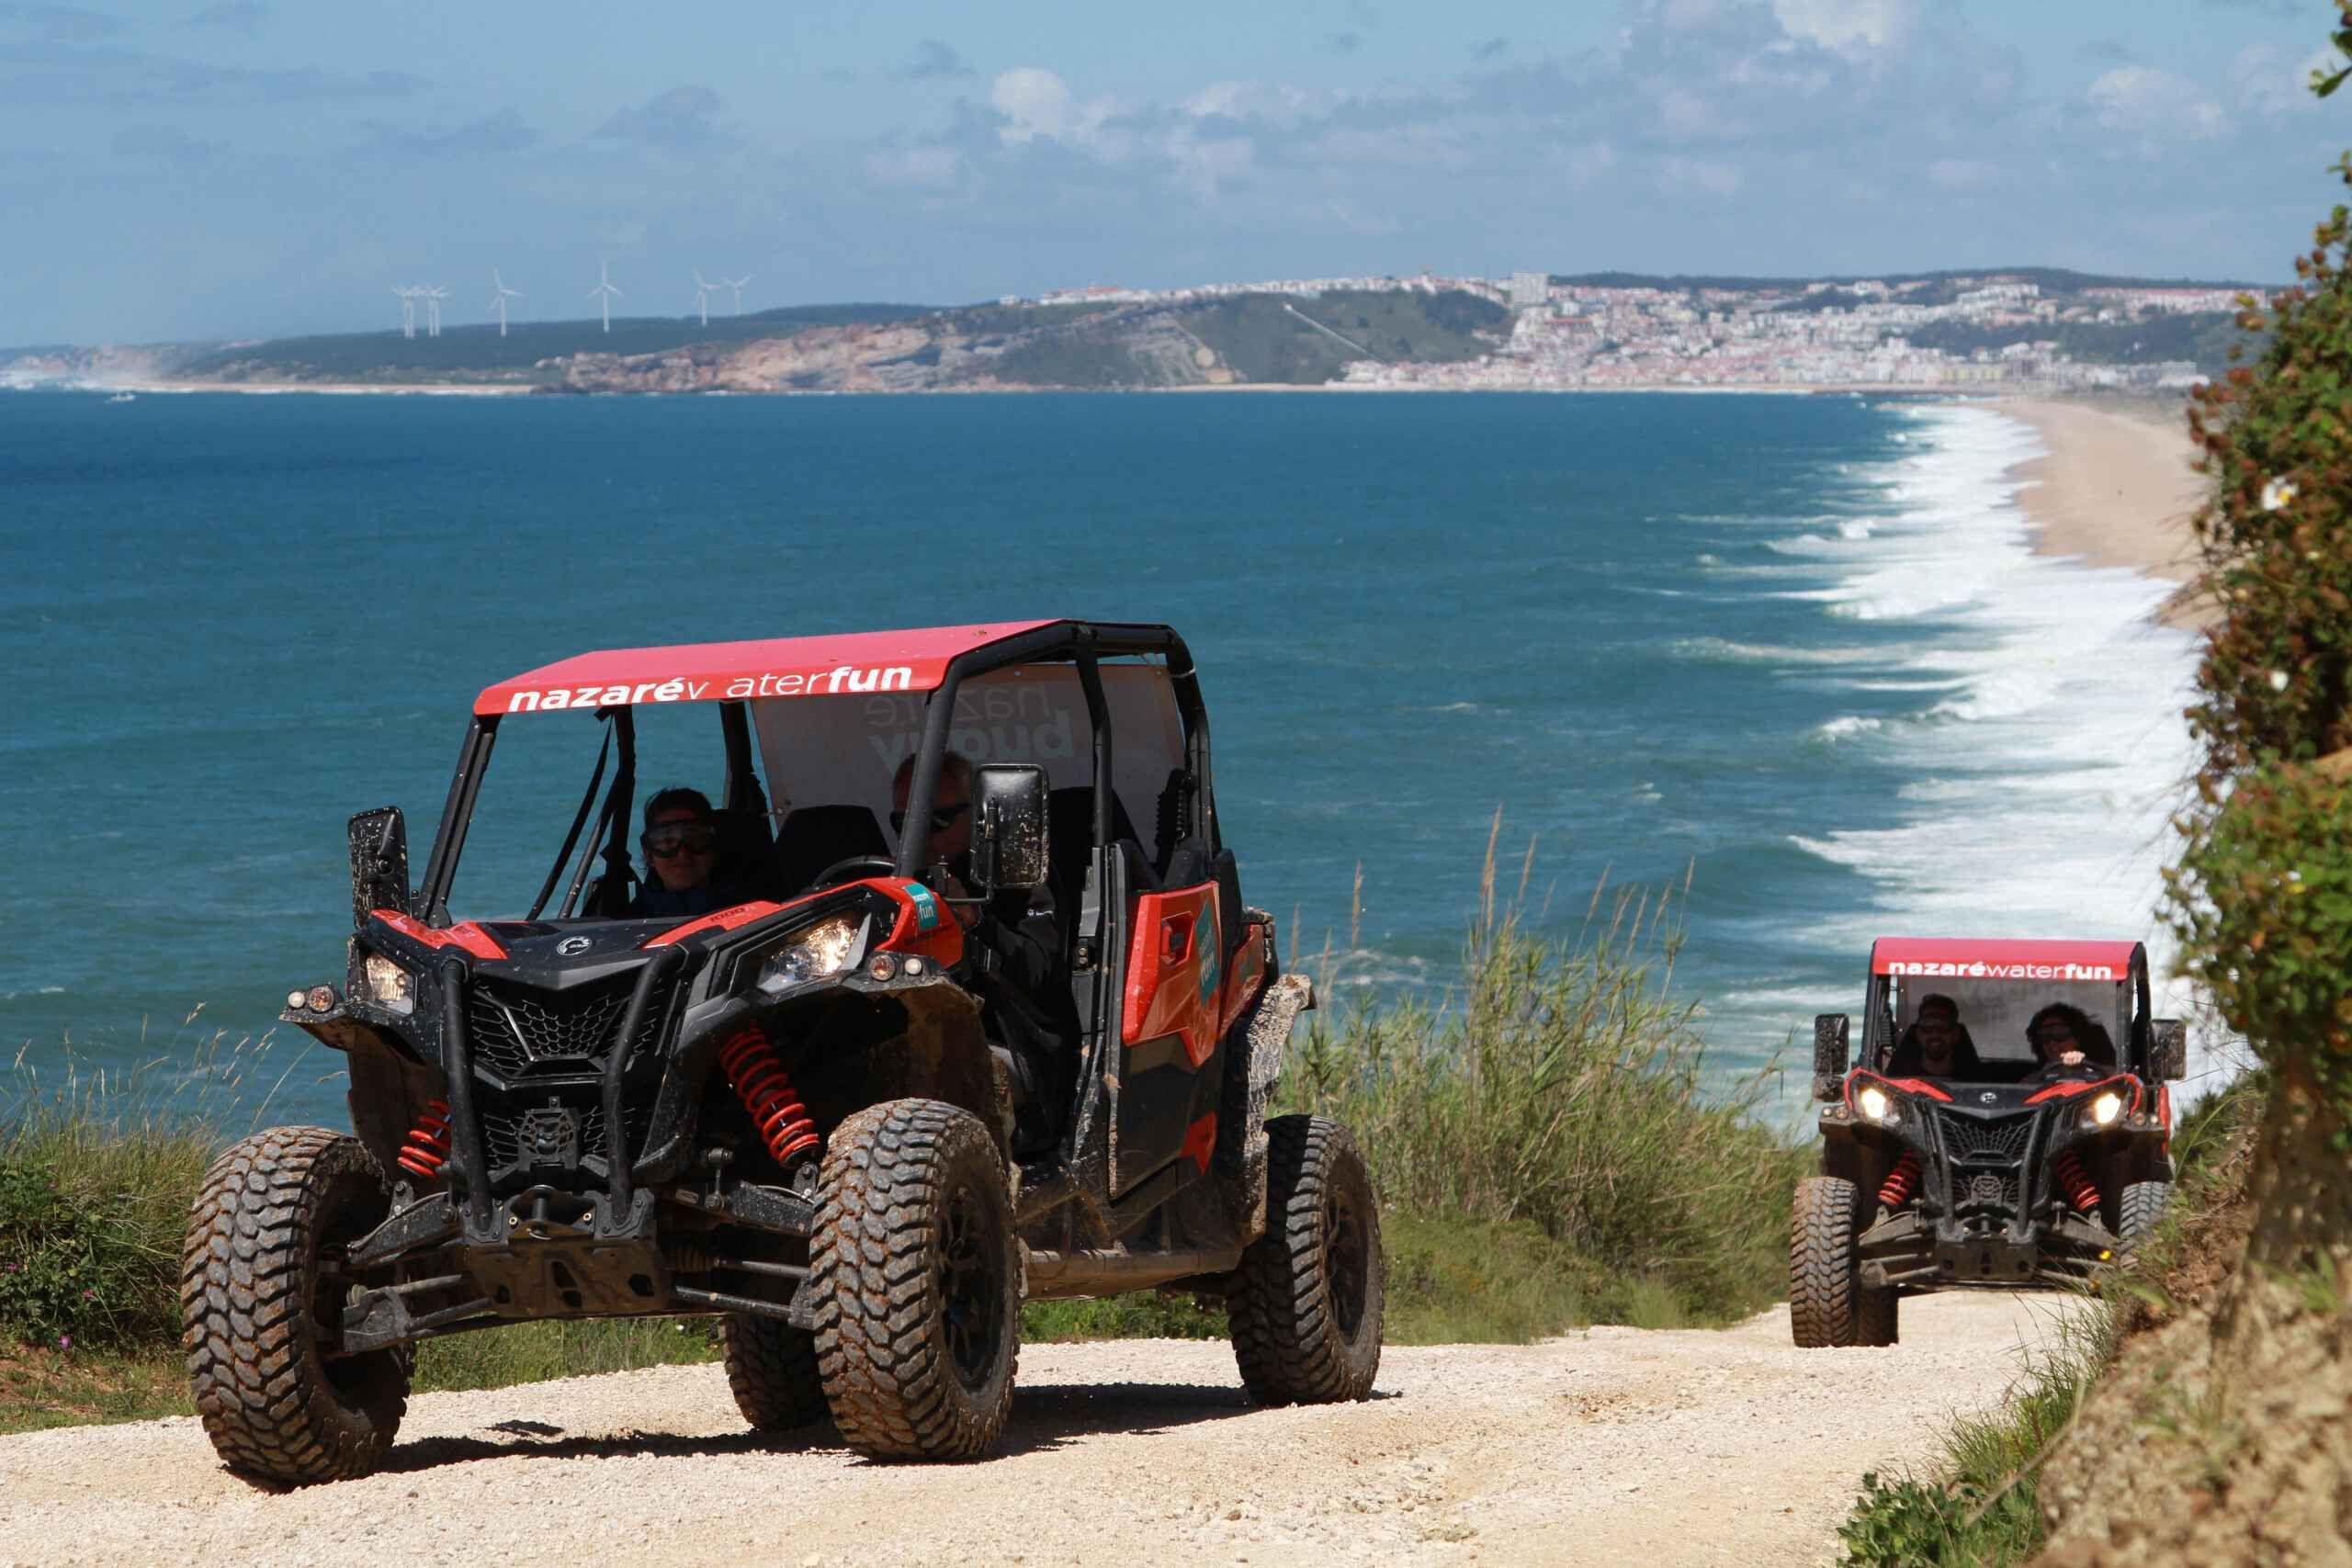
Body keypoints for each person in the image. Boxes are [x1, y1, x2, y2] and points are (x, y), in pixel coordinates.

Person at [892, 752, 1071, 1157]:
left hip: (1010, 1041)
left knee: (944, 1077)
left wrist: (975, 922)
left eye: (935, 822)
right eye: (904, 824)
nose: (919, 836)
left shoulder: (1017, 872)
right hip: (912, 1038)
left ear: (977, 814)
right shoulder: (894, 881)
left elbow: (1040, 974)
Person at [628, 787, 746, 919]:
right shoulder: (627, 923)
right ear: (649, 854)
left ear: (713, 847)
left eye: (695, 839)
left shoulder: (751, 915)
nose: (682, 854)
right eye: (667, 841)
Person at [1892, 992, 1982, 1079]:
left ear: (1956, 1033)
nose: (1935, 1034)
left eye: (1943, 1026)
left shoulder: (1975, 1081)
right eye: (1927, 1026)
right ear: (1918, 1033)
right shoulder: (1899, 1079)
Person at [2026, 1002, 2109, 1077]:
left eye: (2061, 1034)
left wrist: (2083, 1066)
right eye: (2044, 1037)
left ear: (2077, 1038)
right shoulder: (2034, 1078)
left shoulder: (2101, 1073)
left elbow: (2117, 1079)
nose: (2053, 1045)